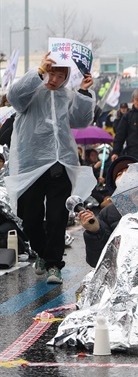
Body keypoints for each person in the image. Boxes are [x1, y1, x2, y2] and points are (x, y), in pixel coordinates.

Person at [7, 52, 95, 284]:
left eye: (60, 75)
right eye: (52, 73)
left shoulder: (68, 96)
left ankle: (54, 264)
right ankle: (42, 255)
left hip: (60, 163)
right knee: (30, 217)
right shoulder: (31, 92)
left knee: (58, 216)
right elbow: (13, 97)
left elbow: (81, 120)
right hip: (31, 164)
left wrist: (84, 92)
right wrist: (37, 73)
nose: (54, 79)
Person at [79, 156, 138, 268]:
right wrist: (95, 231)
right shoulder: (107, 213)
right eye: (119, 174)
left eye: (129, 171)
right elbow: (96, 260)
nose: (125, 175)